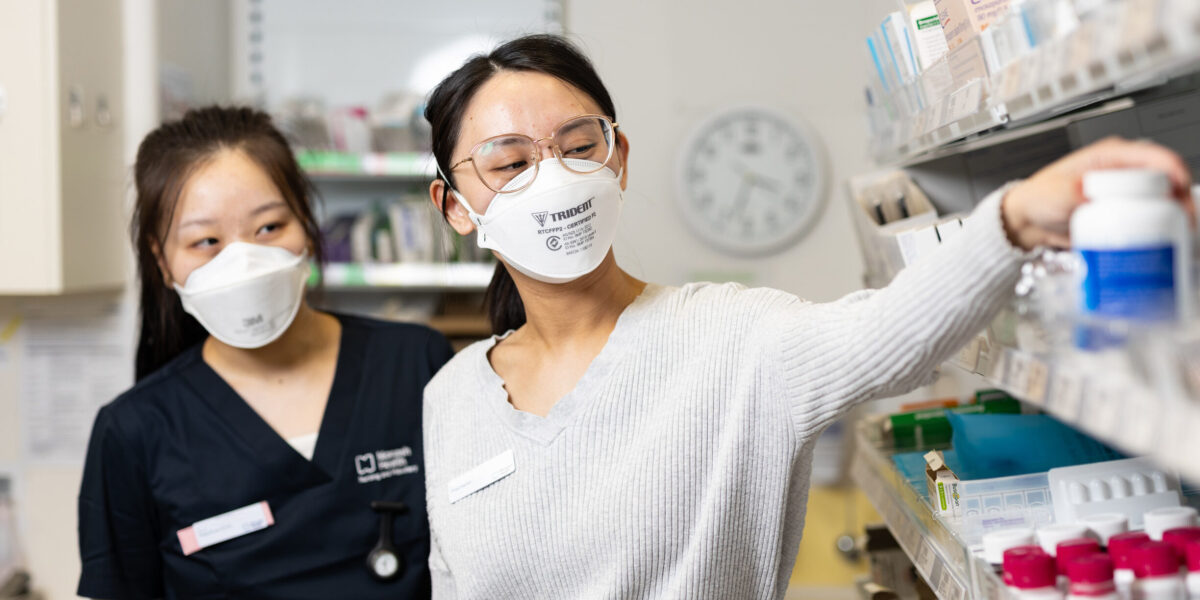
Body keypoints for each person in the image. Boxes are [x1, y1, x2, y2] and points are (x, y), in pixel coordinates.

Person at [418, 34, 1195, 598]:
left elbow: (887, 334)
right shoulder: (450, 397)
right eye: (510, 162)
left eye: (578, 146)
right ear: (454, 206)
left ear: (617, 158)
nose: (553, 179)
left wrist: (1014, 219)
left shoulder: (731, 337)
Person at [77, 106, 453, 599]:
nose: (243, 261)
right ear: (162, 261)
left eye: (269, 227)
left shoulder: (416, 364)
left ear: (307, 225)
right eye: (205, 241)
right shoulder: (134, 431)